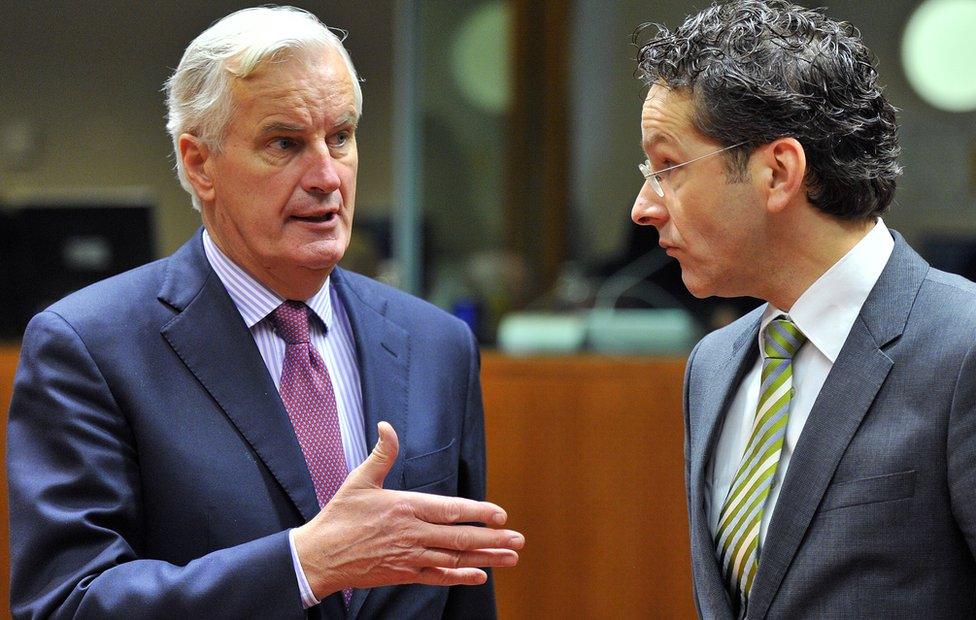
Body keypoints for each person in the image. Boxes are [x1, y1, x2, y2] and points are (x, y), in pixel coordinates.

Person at [7, 6, 523, 619]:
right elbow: (68, 604)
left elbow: (460, 592)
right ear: (199, 164)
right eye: (286, 143)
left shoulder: (437, 344)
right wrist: (305, 565)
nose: (327, 176)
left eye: (341, 137)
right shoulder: (89, 348)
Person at [631, 1, 976, 617]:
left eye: (668, 167)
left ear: (779, 171)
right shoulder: (714, 365)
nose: (643, 207)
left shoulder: (962, 346)